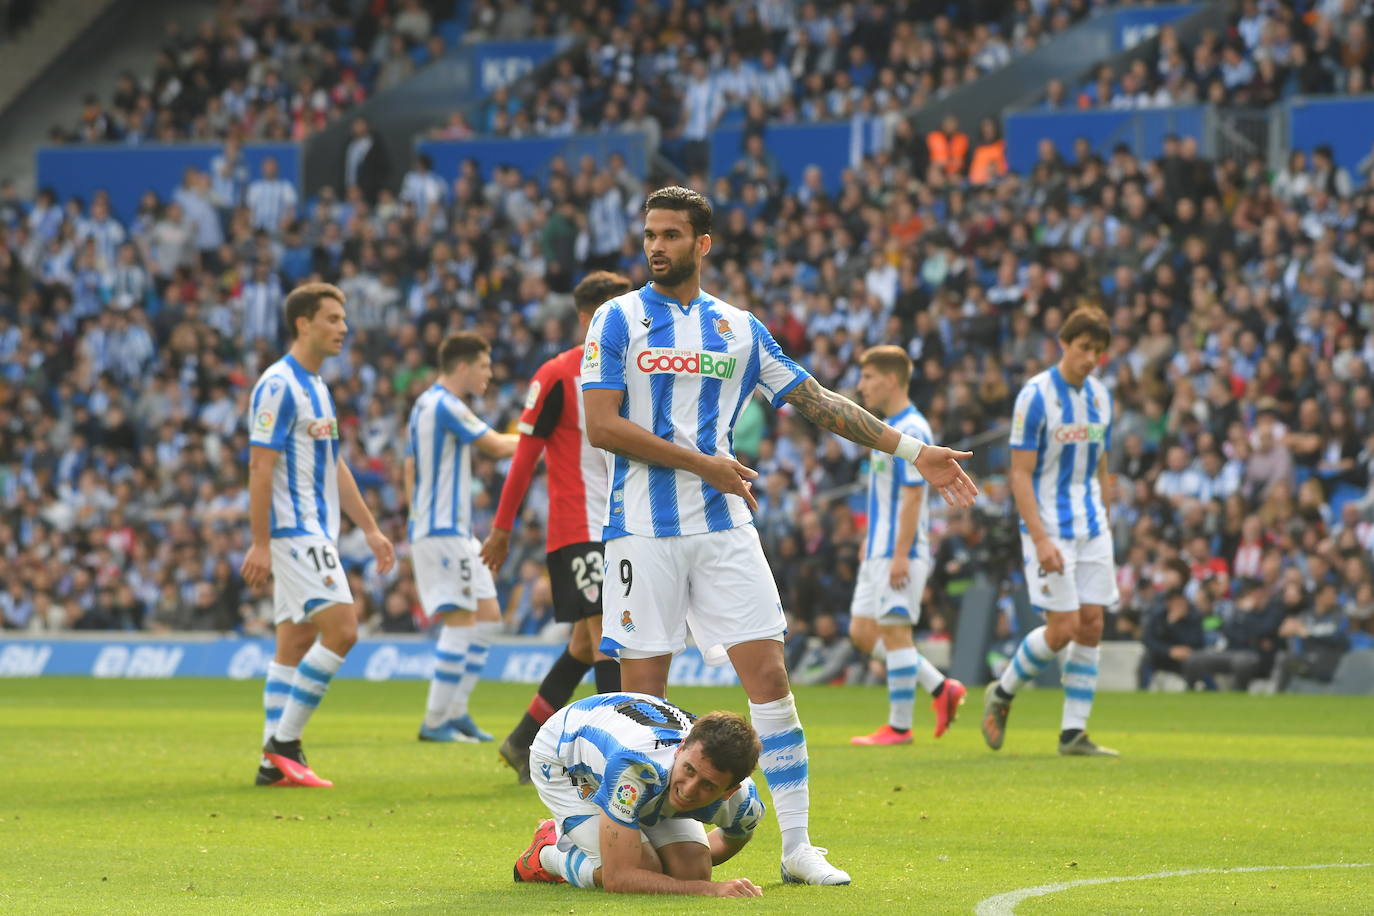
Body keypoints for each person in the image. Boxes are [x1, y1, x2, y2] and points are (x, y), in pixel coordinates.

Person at [579, 186, 979, 885]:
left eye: (672, 234)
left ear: (702, 244)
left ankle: (797, 847)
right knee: (645, 698)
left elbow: (818, 401)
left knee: (769, 678)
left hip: (724, 527)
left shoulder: (737, 328)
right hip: (640, 530)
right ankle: (636, 842)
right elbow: (602, 427)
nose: (656, 246)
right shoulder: (616, 320)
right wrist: (704, 461)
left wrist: (915, 451)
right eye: (650, 233)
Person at [240, 282, 396, 788]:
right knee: (344, 630)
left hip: (314, 530)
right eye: (332, 318)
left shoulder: (319, 388)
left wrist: (369, 528)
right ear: (303, 323)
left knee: (295, 640)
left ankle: (271, 765)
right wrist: (260, 541)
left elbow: (335, 465)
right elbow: (260, 467)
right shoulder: (278, 385)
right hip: (293, 531)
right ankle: (284, 743)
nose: (343, 328)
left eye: (343, 319)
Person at [482, 271, 631, 782]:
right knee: (610, 639)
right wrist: (502, 528)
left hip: (626, 525)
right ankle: (618, 756)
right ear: (589, 316)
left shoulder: (631, 370)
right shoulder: (556, 374)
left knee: (587, 646)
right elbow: (525, 457)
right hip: (579, 526)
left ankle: (523, 739)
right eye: (617, 310)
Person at [983, 307, 1120, 757]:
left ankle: (1073, 733)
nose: (1091, 359)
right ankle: (1002, 694)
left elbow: (1099, 457)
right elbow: (1019, 474)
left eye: (1098, 351)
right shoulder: (1036, 396)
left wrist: (1106, 496)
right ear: (1064, 344)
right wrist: (1040, 539)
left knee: (1093, 623)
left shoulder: (1101, 396)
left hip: (1092, 522)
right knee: (1062, 628)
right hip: (1049, 524)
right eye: (1084, 348)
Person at [514, 692, 765, 897]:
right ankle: (547, 852)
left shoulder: (744, 804)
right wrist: (709, 890)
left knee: (692, 871)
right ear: (680, 750)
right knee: (644, 868)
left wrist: (683, 870)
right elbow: (619, 877)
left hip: (630, 745)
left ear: (729, 791)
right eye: (689, 770)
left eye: (708, 785)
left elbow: (733, 837)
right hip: (564, 755)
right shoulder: (634, 768)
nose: (688, 790)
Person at [846, 346, 967, 746]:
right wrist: (871, 542)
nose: (861, 386)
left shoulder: (914, 428)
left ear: (891, 379)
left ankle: (899, 727)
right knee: (863, 632)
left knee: (896, 633)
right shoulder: (888, 426)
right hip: (878, 548)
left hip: (902, 551)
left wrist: (900, 553)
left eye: (868, 378)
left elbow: (914, 496)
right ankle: (940, 687)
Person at [405, 332, 517, 742]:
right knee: (462, 619)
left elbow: (408, 468)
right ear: (464, 366)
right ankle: (434, 722)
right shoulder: (444, 404)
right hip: (442, 531)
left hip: (450, 530)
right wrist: (544, 437)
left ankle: (456, 712)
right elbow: (497, 446)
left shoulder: (423, 405)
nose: (489, 374)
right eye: (485, 366)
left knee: (488, 617)